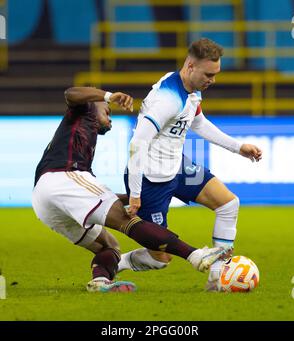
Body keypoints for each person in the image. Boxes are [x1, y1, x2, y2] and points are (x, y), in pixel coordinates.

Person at [32, 86, 231, 293]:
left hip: (44, 199)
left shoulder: (81, 137)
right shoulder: (83, 108)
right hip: (63, 178)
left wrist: (130, 196)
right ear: (95, 102)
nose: (110, 119)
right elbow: (70, 93)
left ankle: (100, 281)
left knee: (109, 246)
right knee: (127, 221)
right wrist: (108, 96)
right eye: (107, 112)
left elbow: (86, 197)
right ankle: (195, 255)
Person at [119, 38, 263, 292]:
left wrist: (238, 147)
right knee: (159, 259)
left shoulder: (191, 91)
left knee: (228, 204)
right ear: (190, 66)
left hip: (177, 167)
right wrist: (136, 194)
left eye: (216, 74)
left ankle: (217, 277)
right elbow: (137, 143)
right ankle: (117, 262)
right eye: (208, 74)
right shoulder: (168, 99)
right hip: (151, 179)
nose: (212, 80)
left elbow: (198, 123)